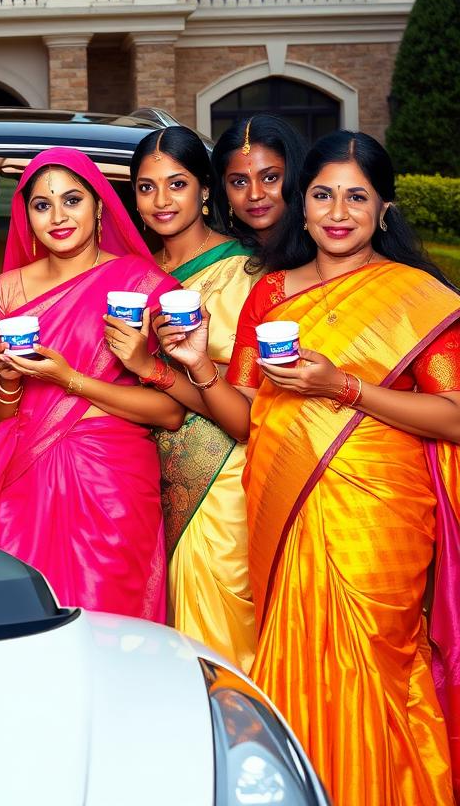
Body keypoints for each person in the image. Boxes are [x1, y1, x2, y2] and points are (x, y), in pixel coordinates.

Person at [163, 131, 460, 805]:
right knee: (296, 668)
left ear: (383, 208)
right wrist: (197, 367)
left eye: (357, 197)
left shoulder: (416, 298)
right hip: (281, 510)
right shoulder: (270, 293)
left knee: (378, 665)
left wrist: (344, 388)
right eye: (323, 194)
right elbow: (244, 416)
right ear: (304, 204)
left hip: (379, 514)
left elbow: (455, 415)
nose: (338, 211)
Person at [0, 147, 184, 618]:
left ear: (99, 206)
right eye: (42, 205)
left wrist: (70, 380)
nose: (58, 217)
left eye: (72, 200)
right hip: (25, 481)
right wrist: (8, 381)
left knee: (110, 625)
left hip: (113, 481)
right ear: (26, 215)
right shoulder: (5, 291)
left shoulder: (141, 286)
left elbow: (170, 412)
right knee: (26, 620)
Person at [116, 126, 257, 671]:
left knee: (218, 640)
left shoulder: (245, 271)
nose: (161, 201)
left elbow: (248, 401)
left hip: (218, 473)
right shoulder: (134, 273)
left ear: (203, 189)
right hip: (144, 471)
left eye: (177, 184)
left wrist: (154, 368)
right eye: (147, 188)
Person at [211, 113, 308, 270]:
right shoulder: (220, 263)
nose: (255, 195)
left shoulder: (326, 251)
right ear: (224, 188)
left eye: (270, 178)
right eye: (240, 182)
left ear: (295, 176)